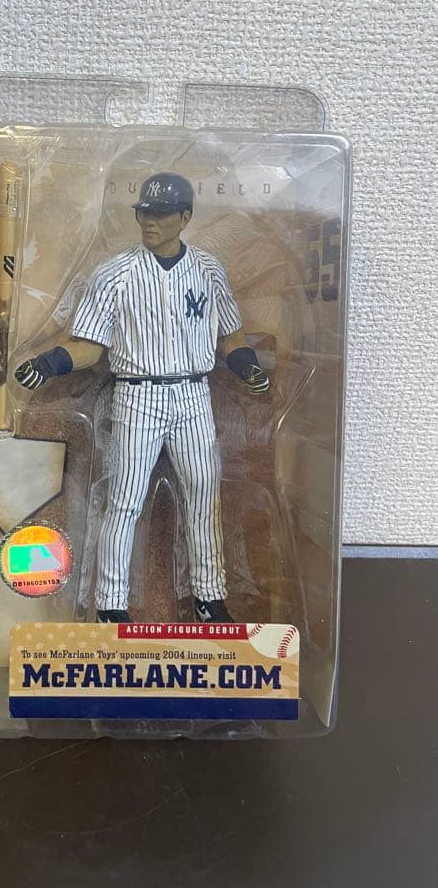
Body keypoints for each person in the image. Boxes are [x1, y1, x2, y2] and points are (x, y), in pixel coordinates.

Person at [14, 172, 269, 623]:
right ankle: (111, 604)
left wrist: (247, 367)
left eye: (162, 213)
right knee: (126, 499)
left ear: (185, 217)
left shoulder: (209, 270)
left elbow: (231, 338)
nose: (150, 221)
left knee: (204, 493)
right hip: (137, 397)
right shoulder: (114, 273)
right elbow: (89, 347)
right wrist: (48, 363)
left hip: (193, 394)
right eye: (145, 212)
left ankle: (209, 598)